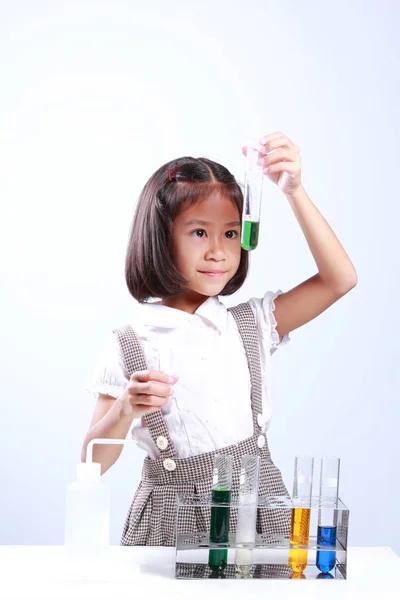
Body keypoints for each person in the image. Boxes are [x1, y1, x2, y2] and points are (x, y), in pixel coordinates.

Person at [82, 131, 357, 546]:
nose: (218, 252)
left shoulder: (254, 324)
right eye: (198, 233)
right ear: (160, 236)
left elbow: (340, 280)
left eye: (230, 234)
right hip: (171, 523)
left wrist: (294, 191)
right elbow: (91, 463)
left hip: (258, 514)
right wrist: (124, 409)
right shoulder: (128, 344)